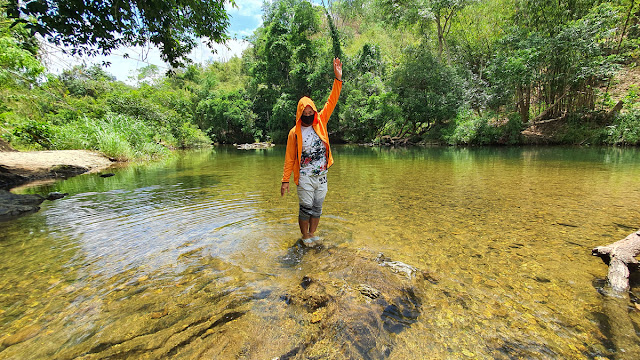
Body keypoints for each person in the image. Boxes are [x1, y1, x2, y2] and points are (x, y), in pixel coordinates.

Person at [280, 58, 343, 247]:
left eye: (311, 112)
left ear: (314, 111)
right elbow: (290, 158)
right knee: (305, 207)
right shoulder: (294, 133)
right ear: (300, 114)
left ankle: (313, 233)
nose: (308, 116)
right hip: (305, 176)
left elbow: (332, 100)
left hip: (322, 175)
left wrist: (337, 79)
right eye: (305, 114)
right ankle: (305, 235)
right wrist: (285, 181)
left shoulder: (321, 121)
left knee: (317, 207)